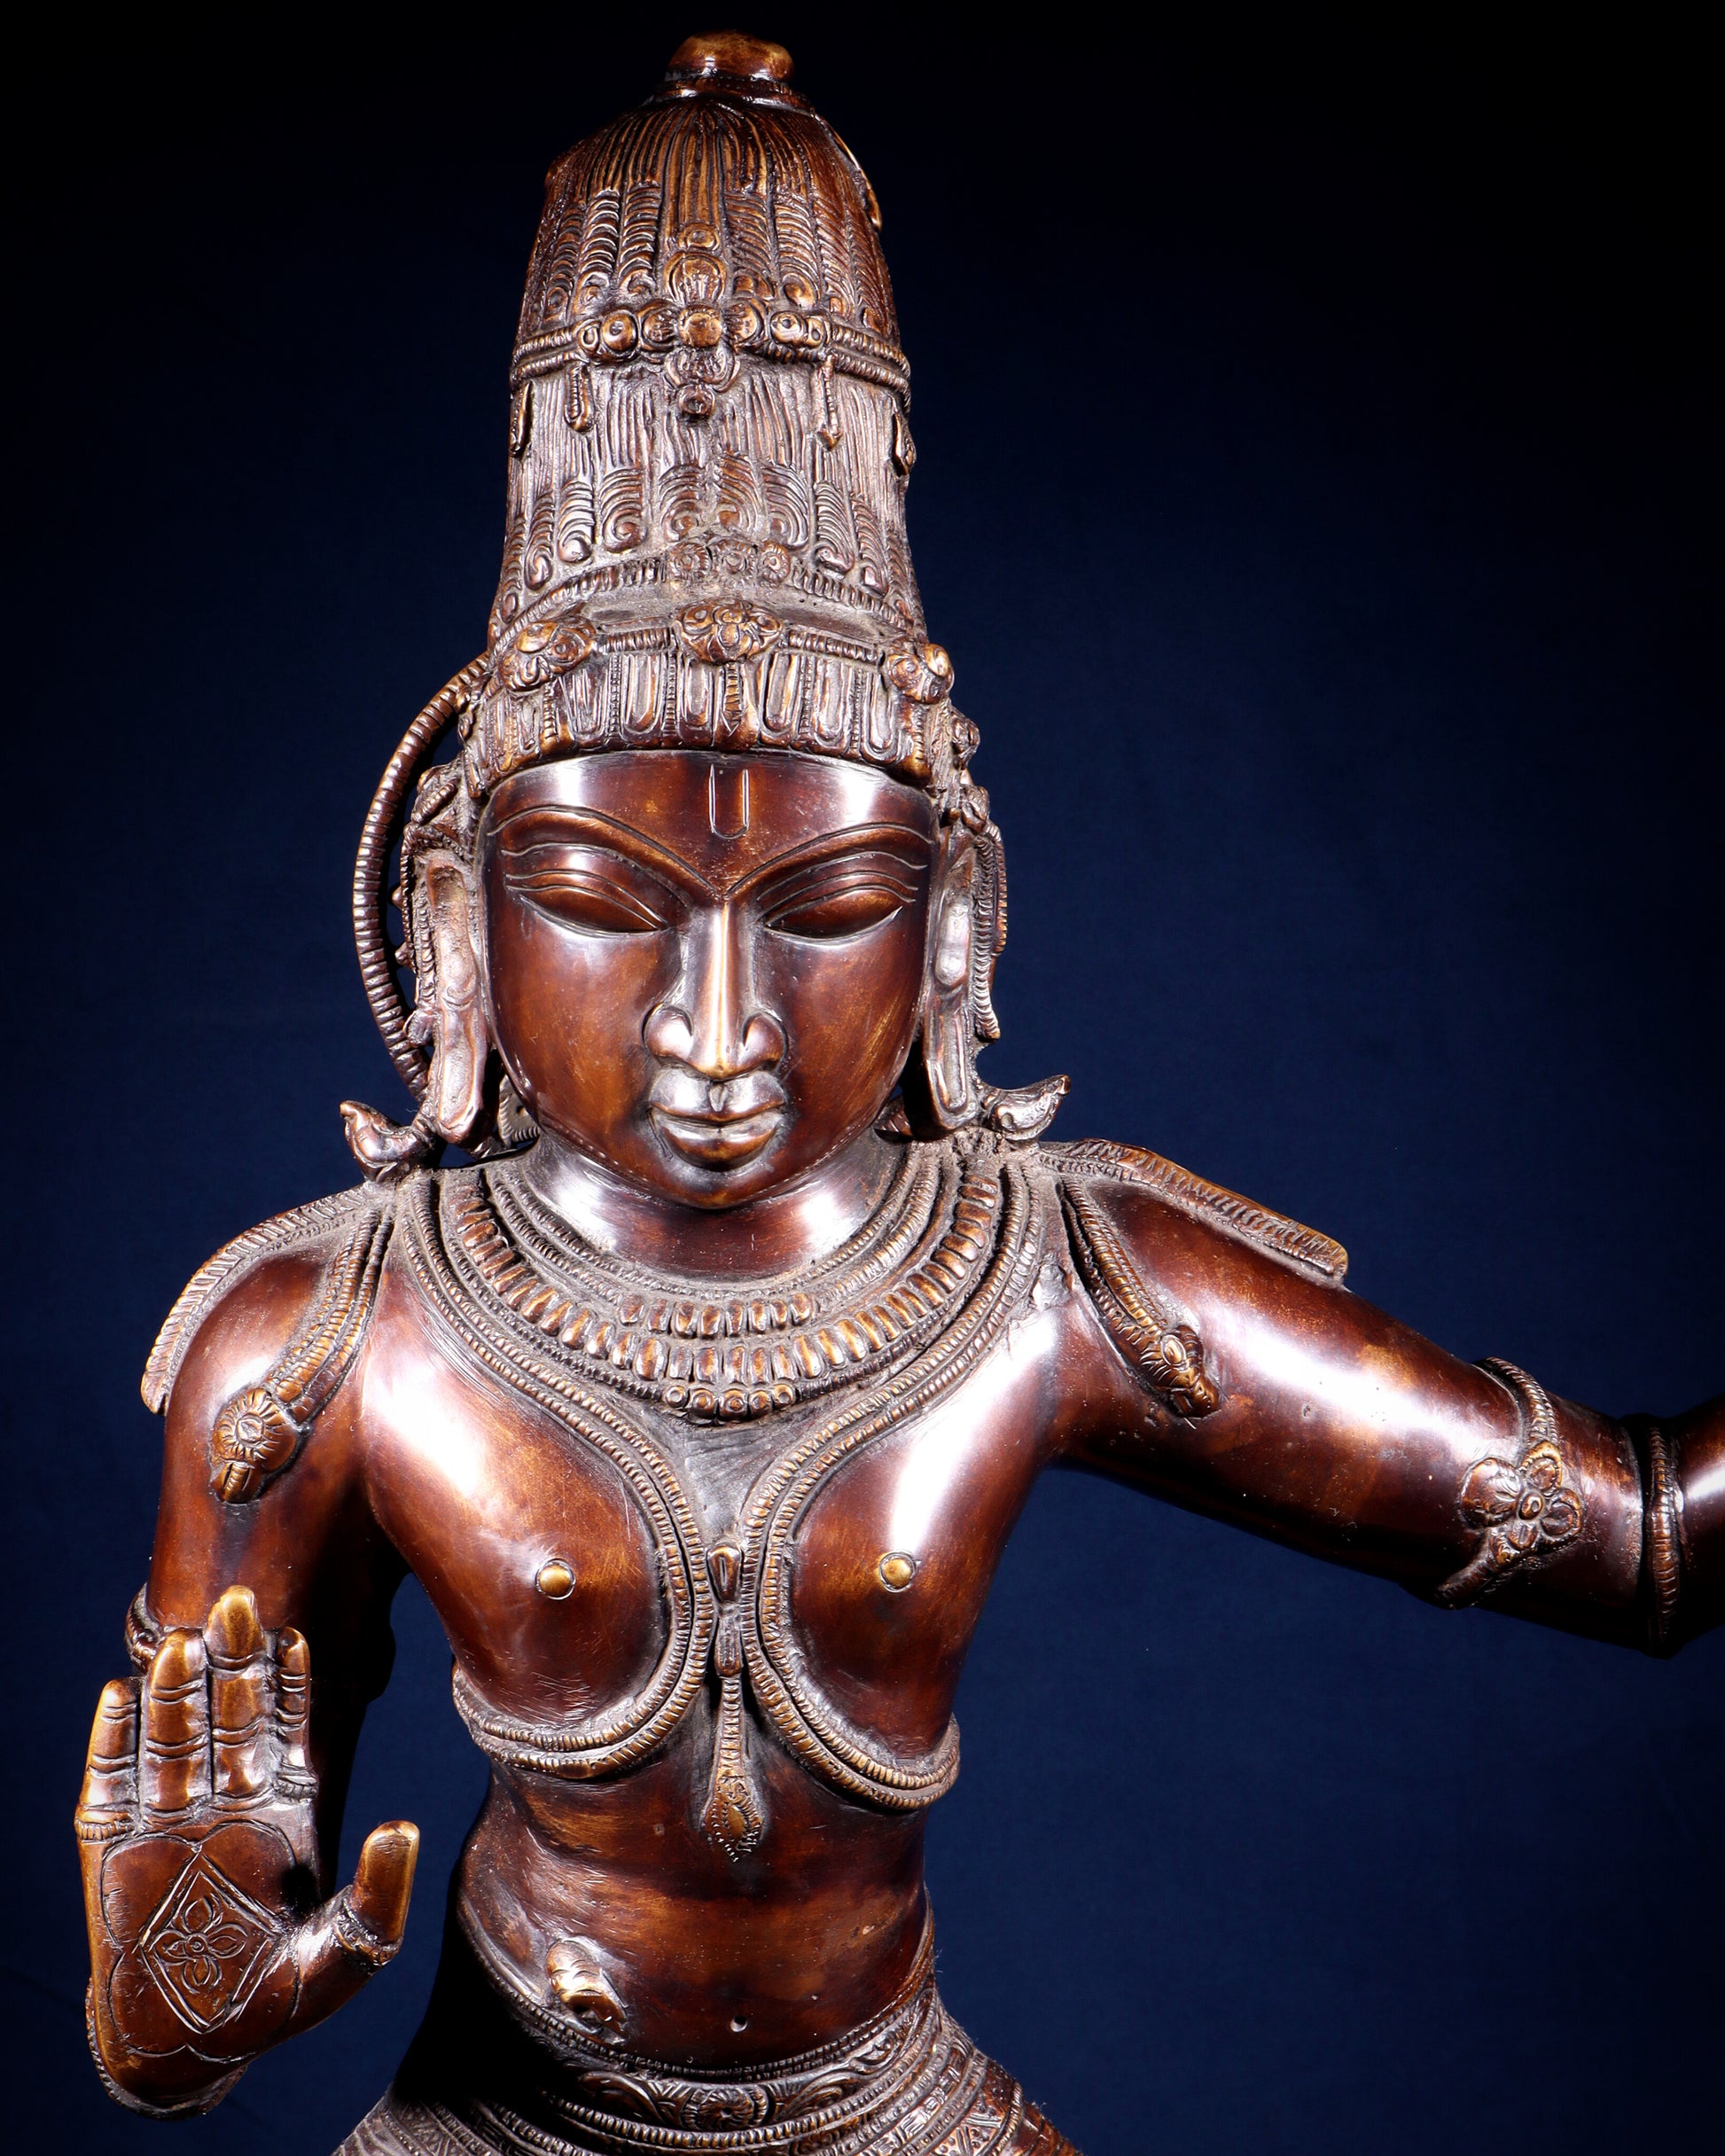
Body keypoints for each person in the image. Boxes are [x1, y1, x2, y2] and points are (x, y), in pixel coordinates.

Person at [74, 35, 1722, 2156]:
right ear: (456, 917)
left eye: (830, 907)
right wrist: (180, 2007)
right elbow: (199, 1912)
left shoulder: (1050, 1278)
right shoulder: (318, 1345)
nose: (717, 1032)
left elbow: (1639, 1537)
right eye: (601, 903)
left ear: (958, 924)